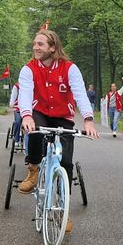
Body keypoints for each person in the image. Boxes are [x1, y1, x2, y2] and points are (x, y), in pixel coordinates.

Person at [17, 30, 99, 234]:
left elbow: (80, 93)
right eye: (34, 43)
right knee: (34, 131)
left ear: (52, 47)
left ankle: (63, 211)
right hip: (39, 112)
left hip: (63, 116)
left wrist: (88, 119)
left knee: (66, 162)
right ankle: (34, 169)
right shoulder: (28, 69)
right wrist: (26, 115)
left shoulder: (69, 68)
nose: (35, 47)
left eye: (40, 44)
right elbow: (25, 94)